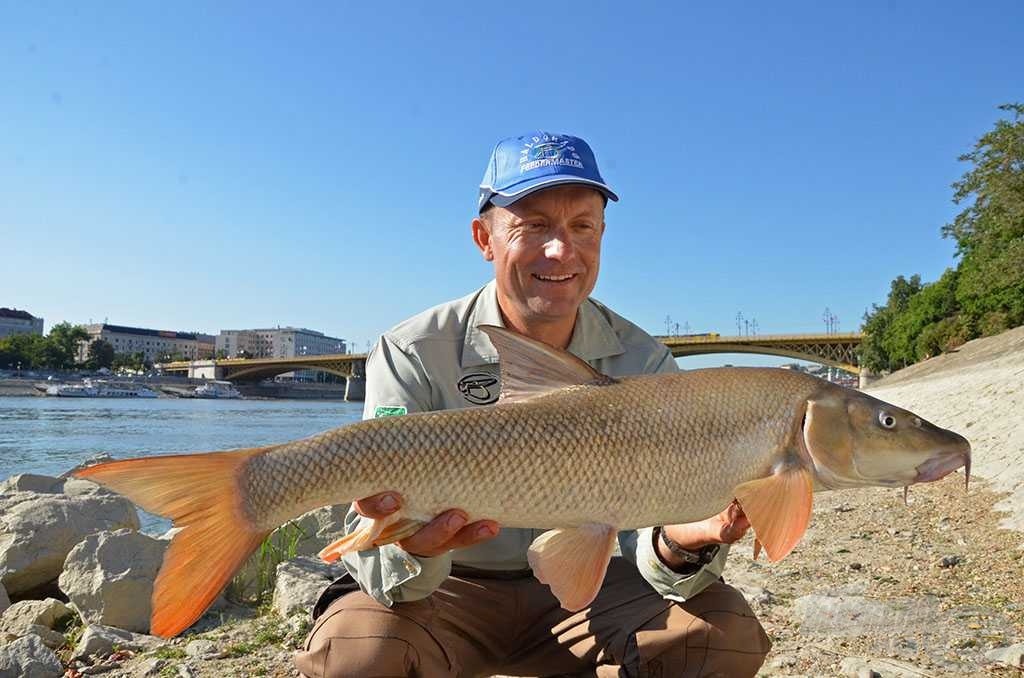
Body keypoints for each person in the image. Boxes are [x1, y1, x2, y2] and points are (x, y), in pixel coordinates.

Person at [295, 132, 771, 677]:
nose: (561, 250)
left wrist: (682, 543)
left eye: (582, 227)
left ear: (603, 236)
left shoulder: (644, 360)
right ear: (485, 238)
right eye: (534, 225)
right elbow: (381, 541)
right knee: (353, 654)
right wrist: (420, 551)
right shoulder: (413, 349)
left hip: (592, 588)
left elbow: (654, 550)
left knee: (722, 638)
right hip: (448, 587)